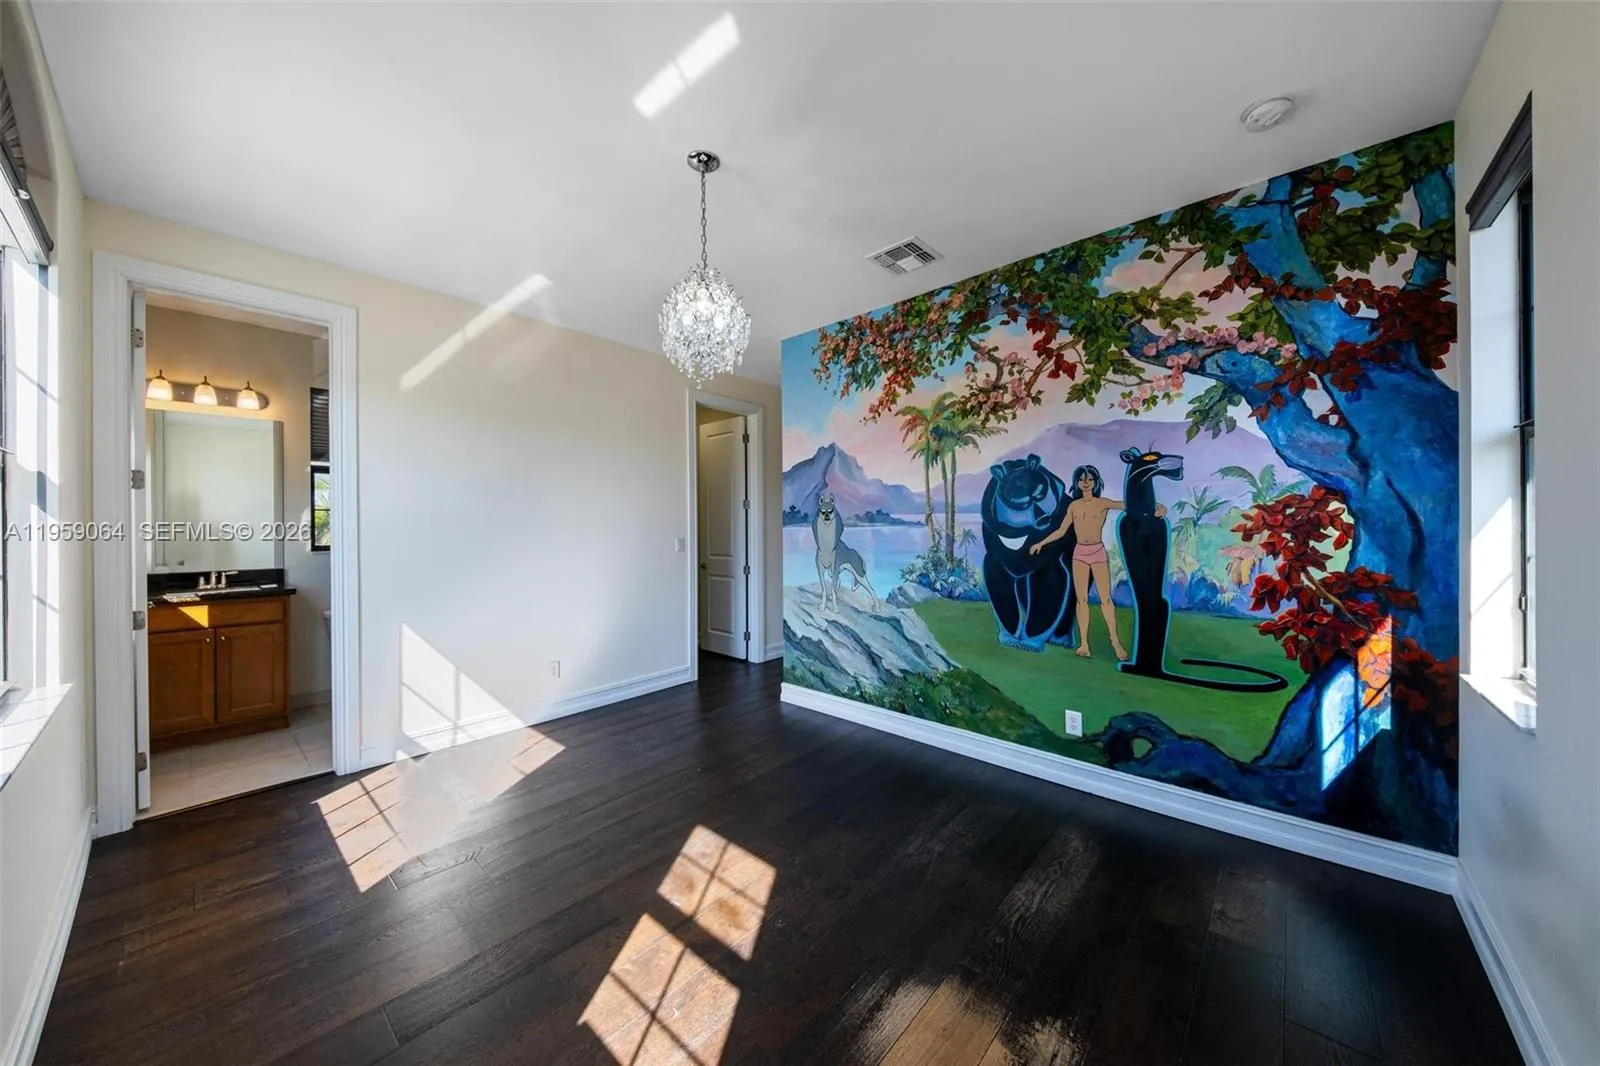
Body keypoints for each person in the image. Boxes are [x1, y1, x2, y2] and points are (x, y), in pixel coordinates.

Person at [1030, 464, 1164, 660]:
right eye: (1082, 479)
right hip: (1079, 554)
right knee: (1081, 600)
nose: (1086, 483)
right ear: (1077, 483)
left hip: (1097, 553)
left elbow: (1132, 505)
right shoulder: (1074, 506)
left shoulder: (1102, 503)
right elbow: (1061, 531)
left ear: (1095, 482)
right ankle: (1084, 643)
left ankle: (1115, 641)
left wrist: (1159, 507)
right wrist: (1041, 543)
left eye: (1090, 479)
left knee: (1105, 599)